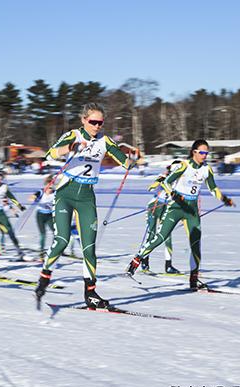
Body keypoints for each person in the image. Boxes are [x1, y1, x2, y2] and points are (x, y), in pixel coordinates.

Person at [34, 103, 138, 309]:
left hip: (87, 198)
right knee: (62, 240)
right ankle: (44, 278)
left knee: (89, 248)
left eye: (100, 123)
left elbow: (124, 161)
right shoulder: (73, 135)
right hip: (65, 194)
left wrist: (133, 160)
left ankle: (90, 293)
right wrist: (70, 148)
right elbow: (50, 154)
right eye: (93, 122)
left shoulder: (105, 141)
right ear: (83, 120)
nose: (97, 126)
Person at [126, 139, 234, 290]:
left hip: (192, 211)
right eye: (202, 152)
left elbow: (213, 188)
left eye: (206, 153)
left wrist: (224, 199)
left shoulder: (206, 169)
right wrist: (174, 194)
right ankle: (137, 260)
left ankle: (193, 278)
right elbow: (165, 182)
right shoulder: (184, 165)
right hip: (176, 207)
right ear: (194, 152)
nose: (205, 155)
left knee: (196, 245)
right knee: (161, 237)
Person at [141, 160, 183, 274]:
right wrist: (160, 181)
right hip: (154, 206)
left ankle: (168, 265)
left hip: (166, 208)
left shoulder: (180, 183)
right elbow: (152, 187)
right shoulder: (164, 177)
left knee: (167, 236)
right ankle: (144, 260)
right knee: (151, 235)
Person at [30, 175, 56, 261]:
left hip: (49, 215)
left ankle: (54, 250)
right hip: (40, 215)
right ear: (45, 186)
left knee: (55, 233)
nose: (50, 189)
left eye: (51, 187)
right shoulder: (41, 192)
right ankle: (41, 252)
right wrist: (34, 198)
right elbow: (31, 197)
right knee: (43, 234)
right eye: (48, 187)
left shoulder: (55, 193)